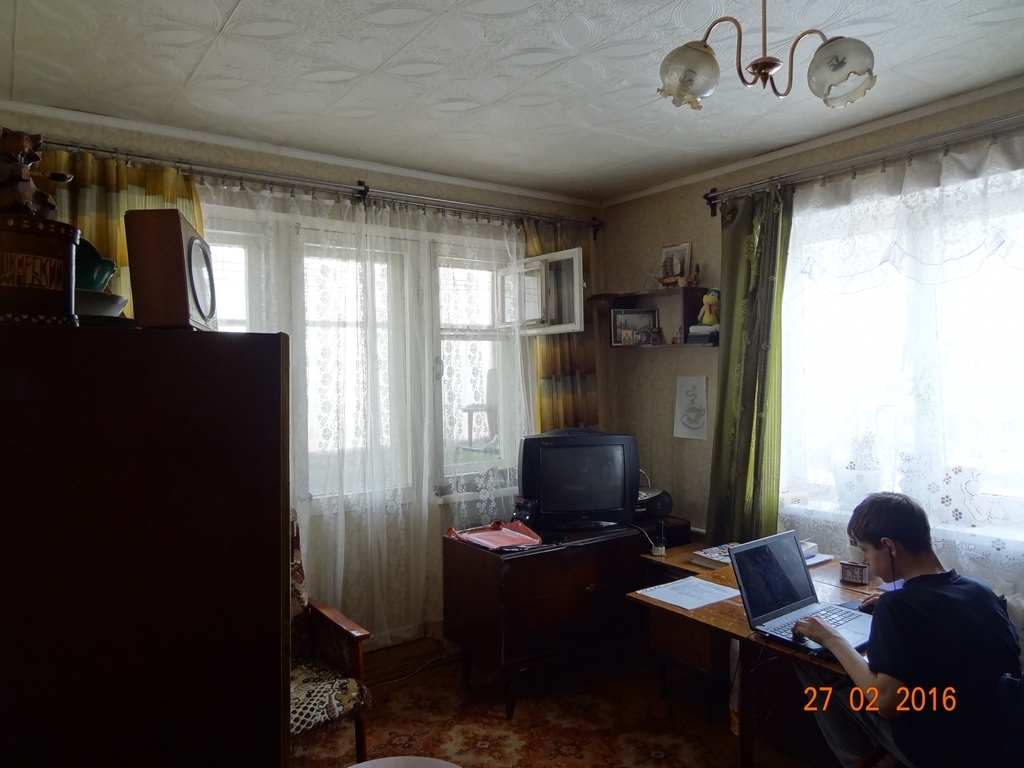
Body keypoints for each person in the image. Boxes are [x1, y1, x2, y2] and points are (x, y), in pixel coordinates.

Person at [793, 492, 1020, 768]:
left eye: (865, 550)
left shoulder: (898, 607)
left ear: (889, 546)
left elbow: (886, 704)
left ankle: (863, 762)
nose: (865, 561)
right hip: (999, 738)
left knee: (811, 663)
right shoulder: (980, 590)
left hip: (943, 750)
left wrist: (832, 638)